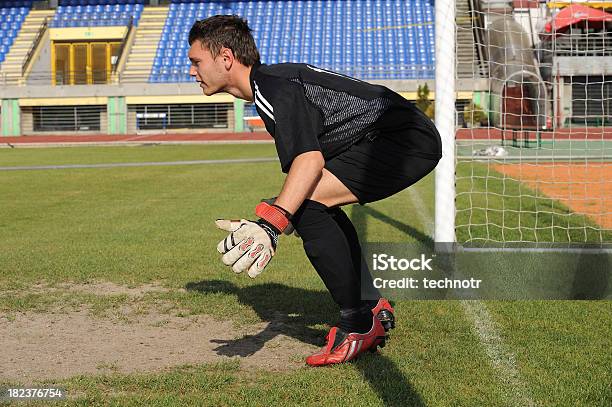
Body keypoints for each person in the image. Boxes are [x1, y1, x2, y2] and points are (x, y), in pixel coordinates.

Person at [188, 15, 442, 366]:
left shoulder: (274, 87)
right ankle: (370, 305)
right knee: (308, 203)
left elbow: (307, 161)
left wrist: (271, 225)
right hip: (398, 134)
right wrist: (277, 213)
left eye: (196, 61)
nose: (192, 71)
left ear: (226, 58)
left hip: (401, 140)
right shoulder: (271, 84)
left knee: (304, 205)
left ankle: (358, 322)